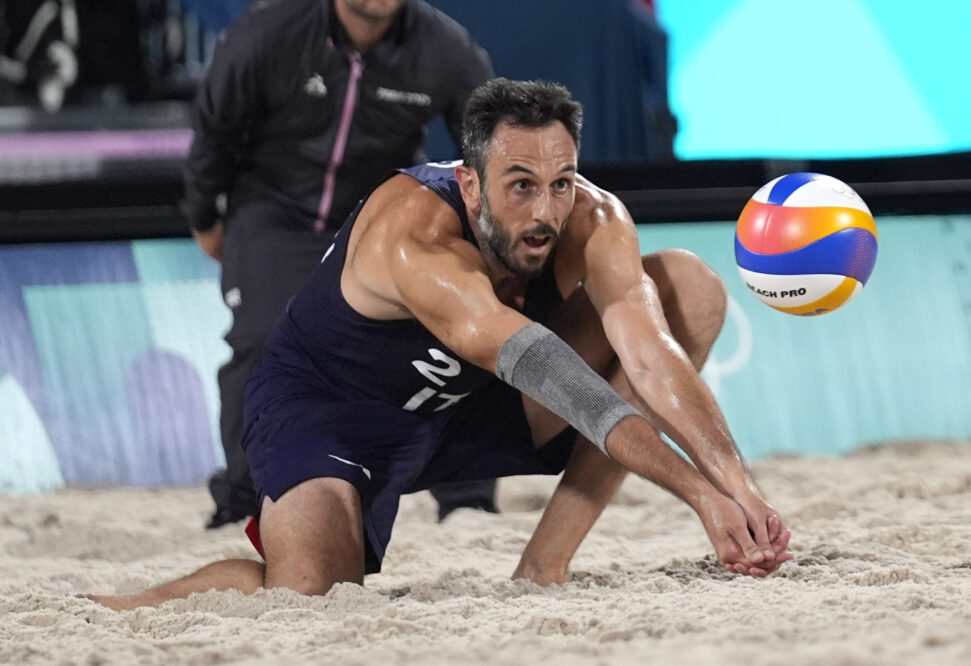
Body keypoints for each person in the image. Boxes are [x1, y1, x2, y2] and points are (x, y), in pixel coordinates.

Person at [91, 78, 791, 610]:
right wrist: (699, 495)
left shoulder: (593, 217)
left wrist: (740, 489)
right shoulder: (418, 236)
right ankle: (123, 609)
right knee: (306, 596)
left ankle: (542, 566)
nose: (546, 211)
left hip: (464, 402)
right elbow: (574, 390)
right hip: (332, 413)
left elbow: (648, 353)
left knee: (688, 289)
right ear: (470, 182)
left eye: (561, 183)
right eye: (520, 186)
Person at [181, 0, 497, 528]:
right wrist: (205, 218)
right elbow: (213, 130)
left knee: (461, 325)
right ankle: (240, 504)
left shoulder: (447, 49)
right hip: (274, 213)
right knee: (262, 339)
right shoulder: (266, 33)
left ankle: (467, 503)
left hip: (376, 220)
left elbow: (494, 146)